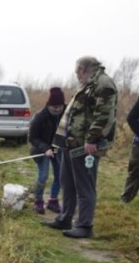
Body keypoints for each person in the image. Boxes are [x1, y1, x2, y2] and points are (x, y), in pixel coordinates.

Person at [45, 56, 117, 239]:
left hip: (86, 146)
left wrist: (92, 139)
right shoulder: (88, 84)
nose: (77, 76)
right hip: (71, 143)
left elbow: (104, 116)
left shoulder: (104, 84)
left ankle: (85, 225)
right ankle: (65, 218)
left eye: (78, 72)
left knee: (85, 186)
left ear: (84, 70)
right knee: (67, 183)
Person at [29, 87, 66, 214]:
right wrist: (45, 149)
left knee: (60, 176)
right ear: (49, 105)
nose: (57, 109)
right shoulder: (40, 117)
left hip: (58, 148)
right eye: (54, 107)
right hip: (42, 149)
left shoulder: (66, 114)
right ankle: (38, 201)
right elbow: (32, 137)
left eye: (59, 107)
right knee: (43, 176)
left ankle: (53, 200)